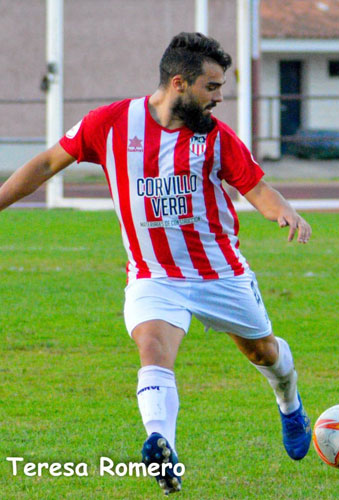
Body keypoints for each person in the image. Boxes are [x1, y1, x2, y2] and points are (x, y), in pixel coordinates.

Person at [0, 33, 315, 494]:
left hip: (220, 273)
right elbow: (48, 164)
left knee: (263, 353)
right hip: (154, 275)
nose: (219, 98)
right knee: (153, 347)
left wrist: (284, 211)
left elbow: (257, 189)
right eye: (212, 87)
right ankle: (161, 446)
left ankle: (289, 403)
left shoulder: (216, 138)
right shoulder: (110, 124)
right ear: (179, 83)